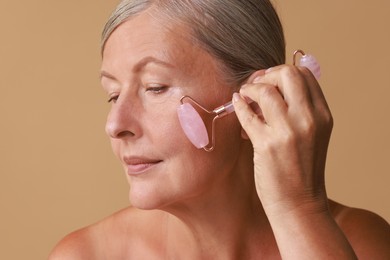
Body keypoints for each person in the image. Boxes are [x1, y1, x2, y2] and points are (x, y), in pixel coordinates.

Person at [49, 0, 390, 259]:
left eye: (155, 87)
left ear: (255, 102)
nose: (116, 125)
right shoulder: (85, 255)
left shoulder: (359, 243)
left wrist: (299, 209)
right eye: (113, 94)